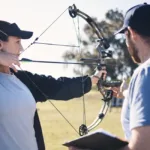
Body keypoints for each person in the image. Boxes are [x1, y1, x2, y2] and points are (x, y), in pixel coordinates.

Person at [0, 20, 107, 150]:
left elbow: (57, 87)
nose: (21, 49)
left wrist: (93, 79)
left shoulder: (23, 79)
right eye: (17, 42)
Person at [69, 2, 150, 150]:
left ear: (131, 33)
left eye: (125, 36)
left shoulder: (145, 72)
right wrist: (127, 92)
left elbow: (143, 146)